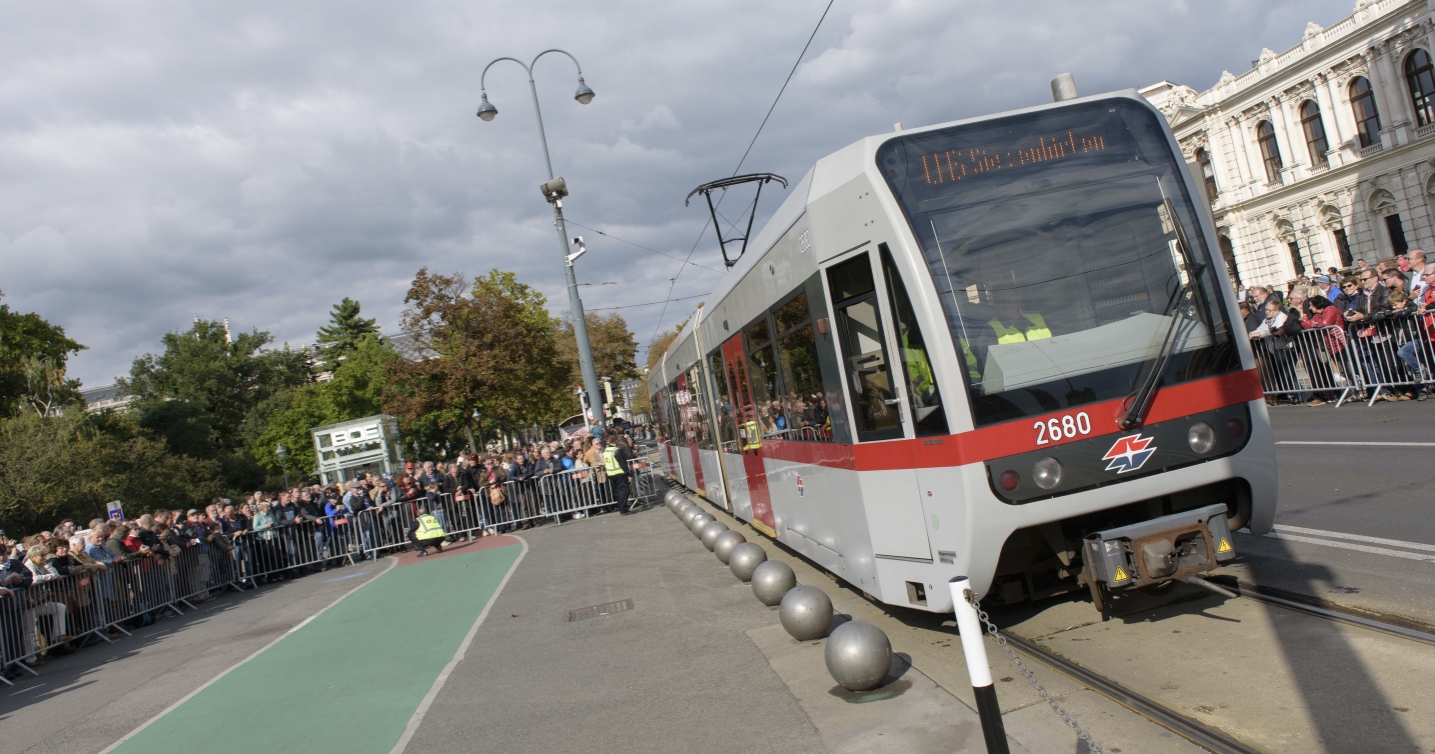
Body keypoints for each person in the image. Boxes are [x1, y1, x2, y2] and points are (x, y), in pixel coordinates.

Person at [599, 436, 634, 515]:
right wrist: (628, 474)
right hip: (619, 473)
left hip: (610, 474)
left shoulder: (606, 451)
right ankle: (623, 509)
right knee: (624, 491)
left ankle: (621, 507)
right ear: (616, 441)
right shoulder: (616, 451)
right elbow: (623, 464)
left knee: (617, 492)